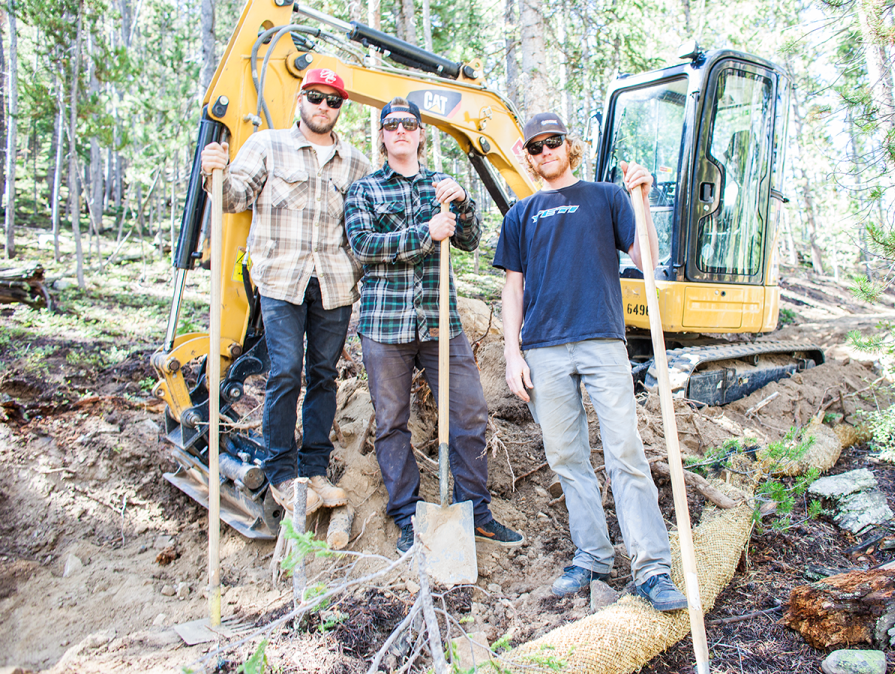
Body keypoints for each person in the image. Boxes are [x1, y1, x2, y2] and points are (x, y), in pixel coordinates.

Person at [493, 112, 687, 611]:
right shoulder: (520, 214)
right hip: (542, 349)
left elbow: (646, 258)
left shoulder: (606, 197)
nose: (545, 152)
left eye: (552, 142)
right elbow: (512, 287)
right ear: (529, 158)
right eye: (535, 147)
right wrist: (512, 353)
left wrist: (642, 200)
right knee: (567, 458)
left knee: (624, 451)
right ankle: (593, 555)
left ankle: (652, 568)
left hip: (602, 342)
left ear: (568, 146)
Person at [344, 97, 524, 554]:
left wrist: (461, 205)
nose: (401, 129)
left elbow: (468, 240)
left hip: (440, 321)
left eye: (409, 123)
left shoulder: (440, 185)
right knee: (391, 423)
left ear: (421, 134)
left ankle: (476, 513)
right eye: (391, 124)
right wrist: (427, 233)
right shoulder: (364, 189)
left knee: (468, 414)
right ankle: (406, 516)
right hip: (385, 326)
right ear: (382, 136)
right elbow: (364, 246)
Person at [199, 69, 371, 515]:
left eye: (332, 101)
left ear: (340, 108)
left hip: (333, 283)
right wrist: (213, 172)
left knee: (323, 373)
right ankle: (280, 470)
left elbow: (363, 223)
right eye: (315, 97)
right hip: (281, 280)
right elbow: (234, 197)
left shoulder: (354, 162)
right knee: (285, 371)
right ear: (300, 98)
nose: (323, 107)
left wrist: (355, 267)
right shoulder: (267, 146)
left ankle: (314, 466)